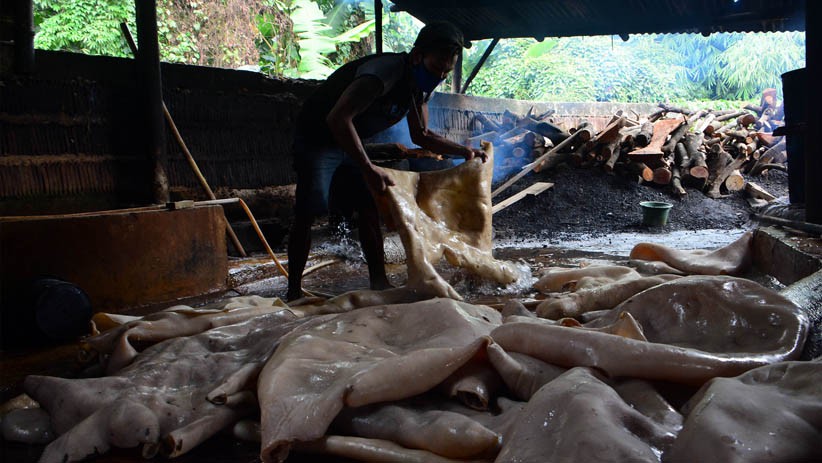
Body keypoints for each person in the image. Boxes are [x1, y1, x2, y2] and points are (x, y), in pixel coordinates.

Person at [286, 20, 486, 301]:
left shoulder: (419, 87)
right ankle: (293, 291)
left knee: (369, 205)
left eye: (446, 72)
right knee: (309, 209)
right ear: (417, 56)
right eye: (435, 68)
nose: (439, 76)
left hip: (351, 138)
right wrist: (368, 167)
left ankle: (379, 282)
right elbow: (338, 118)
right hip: (318, 137)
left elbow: (421, 135)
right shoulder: (383, 74)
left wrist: (465, 152)